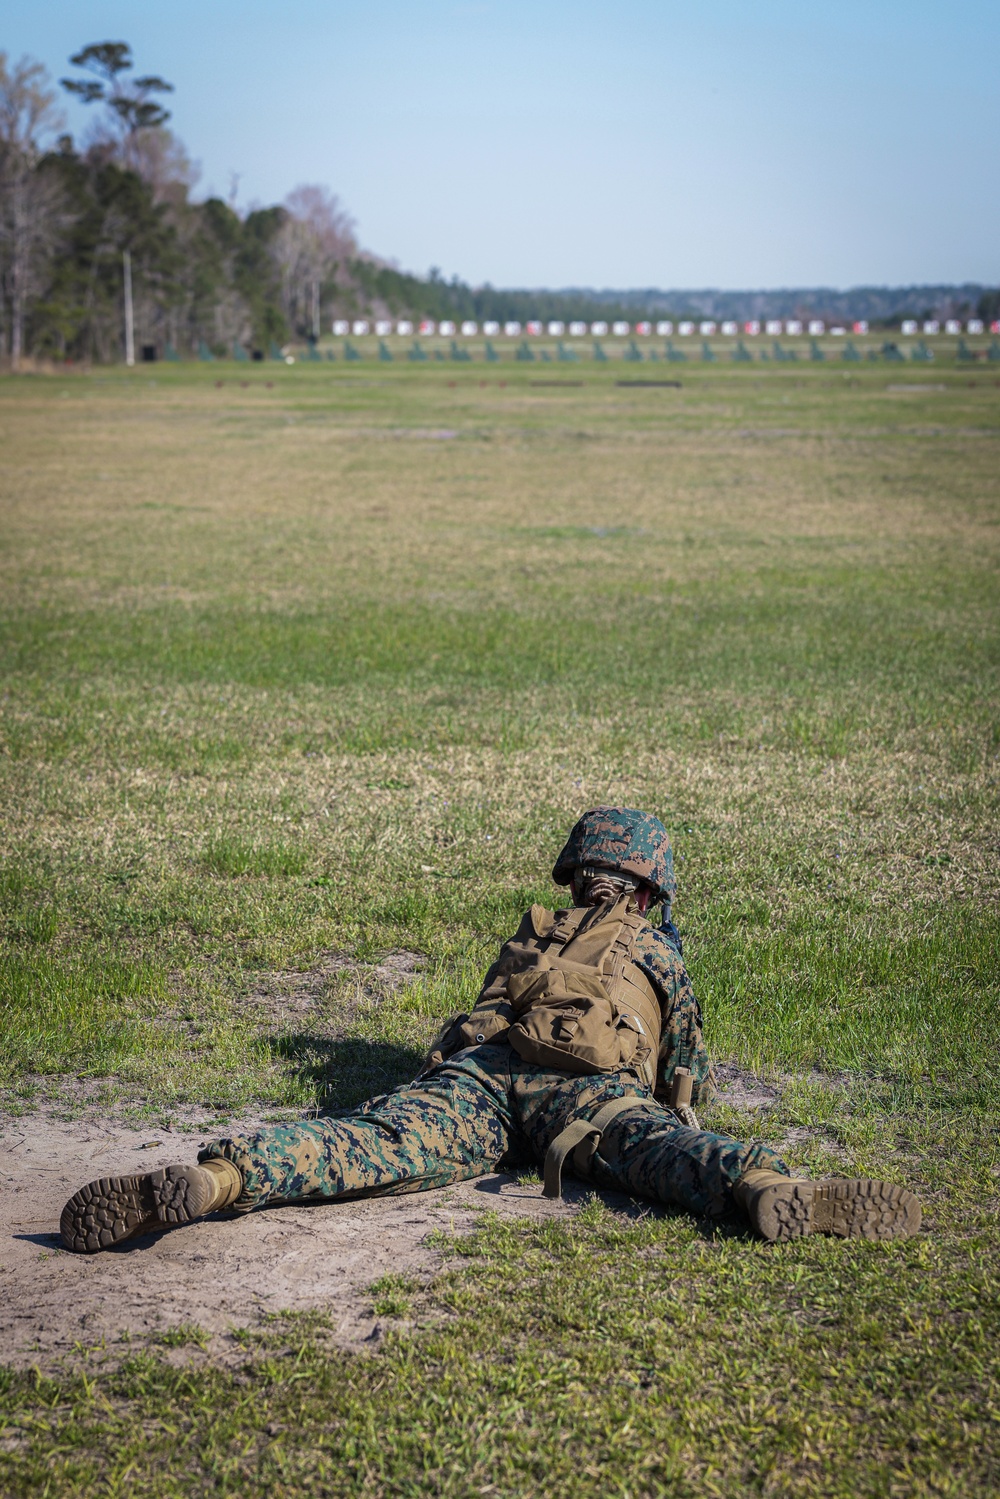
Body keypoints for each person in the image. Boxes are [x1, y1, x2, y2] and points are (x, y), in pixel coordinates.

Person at [60, 808, 921, 1253]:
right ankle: (764, 1187)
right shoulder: (657, 948)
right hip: (583, 1094)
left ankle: (216, 1178)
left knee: (365, 1142)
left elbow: (474, 1024)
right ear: (650, 886)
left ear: (578, 873)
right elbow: (680, 1077)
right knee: (656, 1148)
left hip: (479, 1078)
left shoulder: (534, 930)